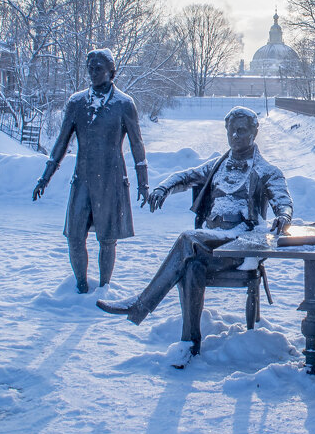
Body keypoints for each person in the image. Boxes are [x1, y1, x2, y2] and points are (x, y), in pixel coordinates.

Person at [96, 107, 291, 366]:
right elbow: (186, 176)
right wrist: (163, 188)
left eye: (242, 129)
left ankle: (141, 304)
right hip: (211, 243)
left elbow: (283, 201)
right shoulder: (216, 167)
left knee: (188, 238)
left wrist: (284, 216)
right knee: (192, 267)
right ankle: (190, 344)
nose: (236, 134)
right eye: (232, 129)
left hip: (242, 244)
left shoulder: (268, 171)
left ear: (255, 132)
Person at [33, 49, 148, 293]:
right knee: (74, 237)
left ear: (111, 72)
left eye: (98, 68)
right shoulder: (76, 103)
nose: (93, 73)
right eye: (90, 68)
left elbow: (137, 144)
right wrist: (45, 176)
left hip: (111, 179)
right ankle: (81, 285)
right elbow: (61, 142)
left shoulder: (124, 104)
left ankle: (104, 287)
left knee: (107, 239)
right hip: (83, 179)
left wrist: (144, 182)